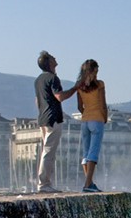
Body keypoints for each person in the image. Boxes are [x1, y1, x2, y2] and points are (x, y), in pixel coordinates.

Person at [35, 51, 79, 193]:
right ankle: (44, 184)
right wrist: (74, 88)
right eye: (53, 57)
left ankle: (46, 183)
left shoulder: (38, 80)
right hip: (53, 118)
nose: (56, 58)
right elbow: (59, 96)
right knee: (49, 152)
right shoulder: (53, 78)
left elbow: (37, 101)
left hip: (42, 118)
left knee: (46, 151)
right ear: (49, 63)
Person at [75, 58, 109, 192]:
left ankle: (89, 183)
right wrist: (104, 118)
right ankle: (87, 185)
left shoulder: (79, 86)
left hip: (85, 121)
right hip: (97, 120)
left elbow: (79, 106)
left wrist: (86, 114)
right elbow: (103, 105)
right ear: (94, 71)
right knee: (93, 153)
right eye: (97, 70)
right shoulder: (100, 84)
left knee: (86, 152)